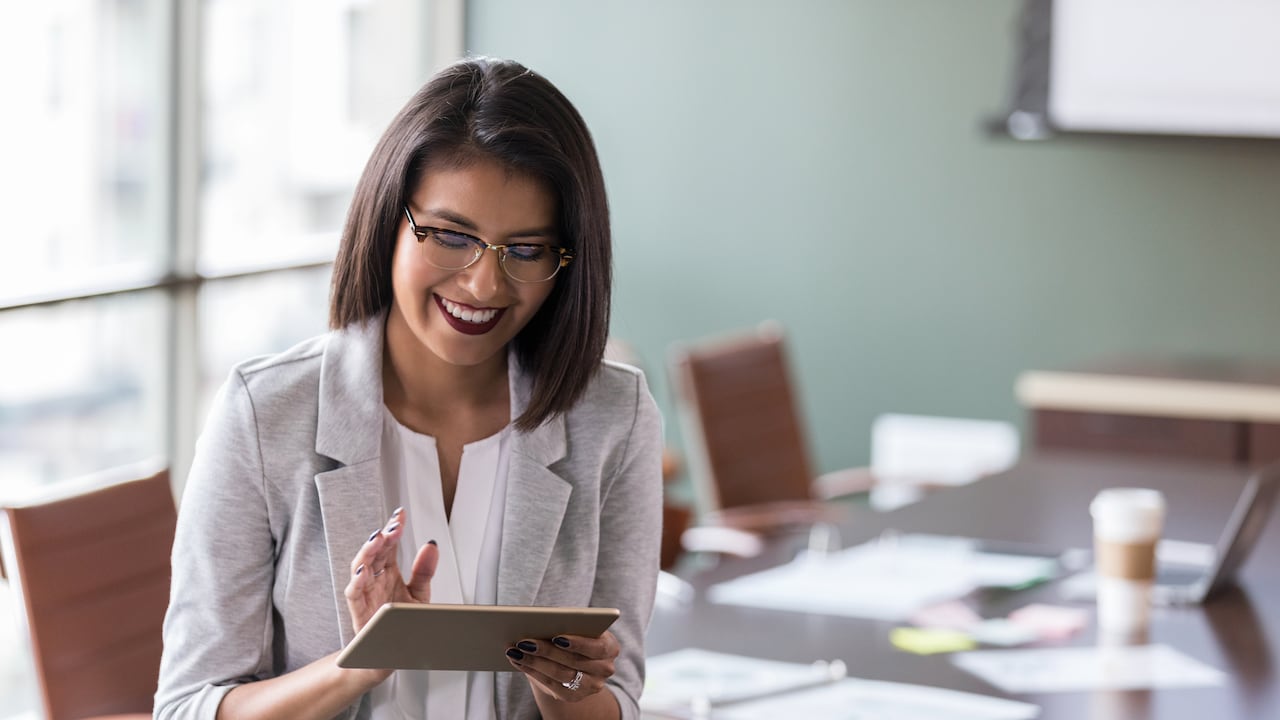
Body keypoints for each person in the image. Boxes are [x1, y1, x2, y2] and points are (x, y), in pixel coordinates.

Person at [154, 57, 664, 720]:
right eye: (452, 235)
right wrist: (358, 665)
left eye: (527, 249)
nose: (485, 284)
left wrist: (564, 685)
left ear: (567, 258)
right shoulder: (265, 414)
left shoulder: (613, 418)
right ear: (389, 220)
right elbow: (189, 706)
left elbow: (616, 700)